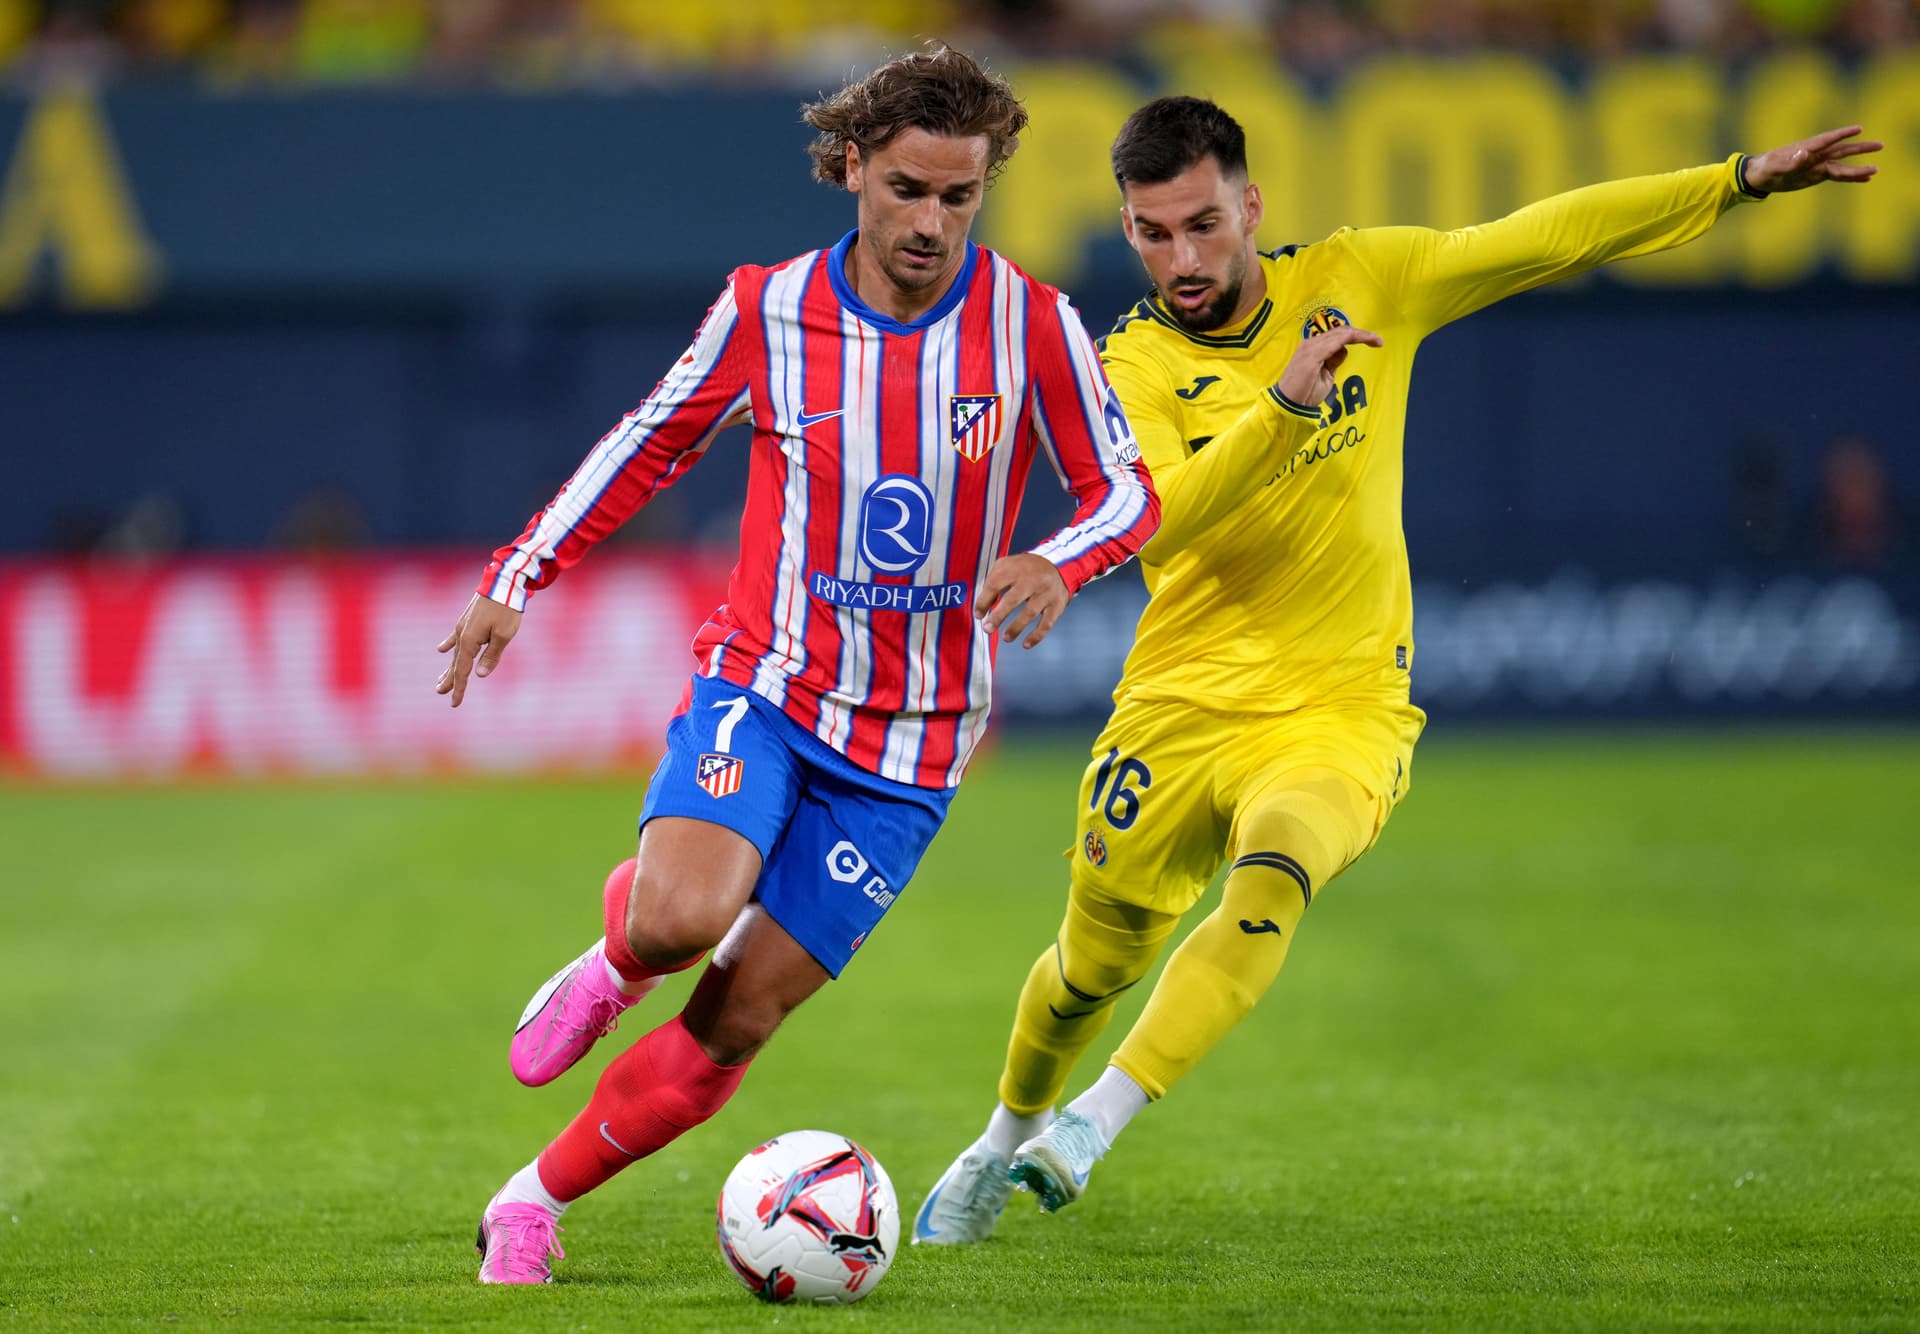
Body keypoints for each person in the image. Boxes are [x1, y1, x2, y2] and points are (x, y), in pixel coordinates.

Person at [913, 97, 1881, 1241]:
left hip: (1343, 702)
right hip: (1180, 703)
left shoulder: (1363, 277)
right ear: (1127, 230)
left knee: (1274, 875)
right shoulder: (1126, 363)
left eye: (1203, 224)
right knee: (1086, 967)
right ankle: (1004, 1132)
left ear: (1251, 206)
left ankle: (1097, 1120)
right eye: (1153, 232)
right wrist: (1282, 408)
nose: (1181, 256)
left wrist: (1737, 180)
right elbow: (1160, 523)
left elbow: (1549, 234)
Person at [430, 45, 1183, 1287]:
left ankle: (529, 1197)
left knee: (741, 1014)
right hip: (769, 684)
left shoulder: (1032, 322)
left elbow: (1127, 491)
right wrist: (520, 572)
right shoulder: (767, 308)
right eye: (906, 190)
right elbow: (645, 444)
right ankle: (618, 956)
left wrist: (1057, 559)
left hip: (917, 747)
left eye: (958, 196)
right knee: (684, 918)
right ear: (850, 170)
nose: (932, 221)